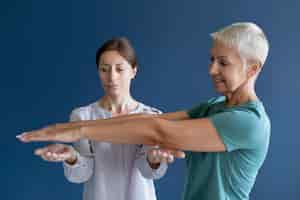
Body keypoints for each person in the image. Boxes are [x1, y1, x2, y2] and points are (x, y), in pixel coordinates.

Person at [18, 22, 271, 200]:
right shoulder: (214, 106)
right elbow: (150, 120)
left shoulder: (248, 122)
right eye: (211, 60)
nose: (212, 70)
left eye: (223, 62)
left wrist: (78, 131)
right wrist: (75, 129)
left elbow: (156, 129)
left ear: (252, 69)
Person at [23, 37, 182, 200]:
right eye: (104, 69)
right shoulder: (82, 116)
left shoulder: (152, 116)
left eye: (119, 69)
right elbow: (82, 175)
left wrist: (153, 159)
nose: (112, 77)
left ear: (134, 71)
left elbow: (148, 172)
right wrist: (71, 156)